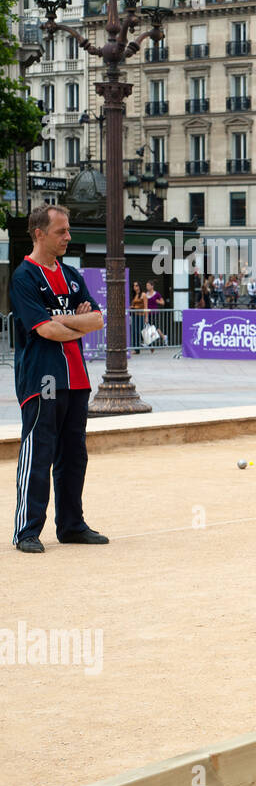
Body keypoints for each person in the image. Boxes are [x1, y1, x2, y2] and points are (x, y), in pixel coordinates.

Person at [10, 204, 109, 553]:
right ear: (39, 234)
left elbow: (98, 320)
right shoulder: (24, 277)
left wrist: (64, 321)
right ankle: (27, 530)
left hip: (77, 378)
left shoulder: (71, 275)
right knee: (39, 452)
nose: (68, 237)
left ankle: (71, 525)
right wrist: (75, 323)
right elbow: (45, 330)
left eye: (68, 230)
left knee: (74, 456)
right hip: (43, 378)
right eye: (61, 231)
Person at [130, 281, 146, 354]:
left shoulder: (143, 294)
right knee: (134, 332)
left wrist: (146, 317)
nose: (134, 287)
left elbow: (146, 306)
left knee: (140, 332)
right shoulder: (135, 295)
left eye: (136, 285)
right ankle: (136, 349)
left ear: (139, 286)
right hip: (134, 315)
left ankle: (149, 344)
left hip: (141, 315)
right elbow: (133, 305)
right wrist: (132, 307)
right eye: (134, 286)